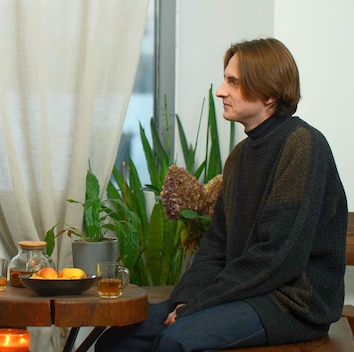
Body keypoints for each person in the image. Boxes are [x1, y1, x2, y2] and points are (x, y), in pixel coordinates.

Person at [95, 38, 348, 351]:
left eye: (234, 82)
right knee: (120, 339)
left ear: (269, 94)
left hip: (290, 304)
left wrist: (199, 306)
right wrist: (187, 299)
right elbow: (216, 245)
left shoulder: (303, 146)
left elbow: (279, 258)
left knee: (177, 341)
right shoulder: (241, 156)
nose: (220, 91)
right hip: (247, 294)